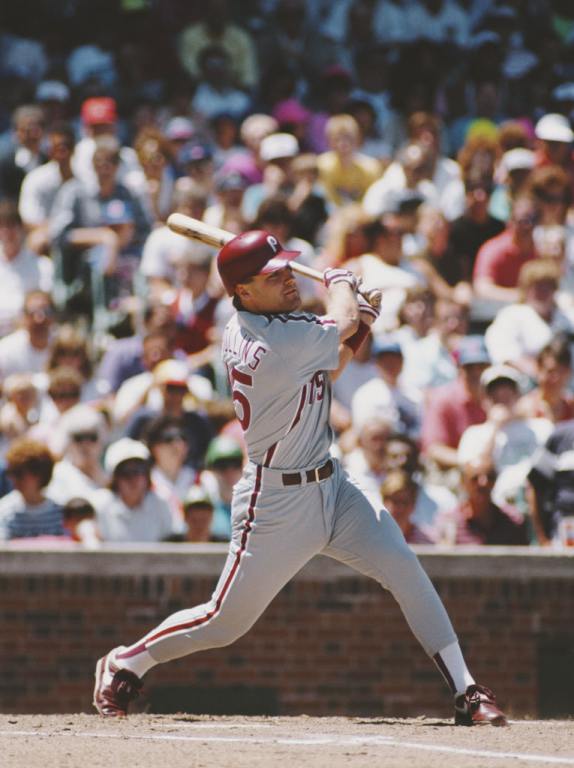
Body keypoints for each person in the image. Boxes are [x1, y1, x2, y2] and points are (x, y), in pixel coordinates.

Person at [93, 227, 507, 726]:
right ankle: (126, 661)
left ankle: (467, 690)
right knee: (224, 622)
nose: (288, 277)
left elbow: (332, 363)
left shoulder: (281, 324)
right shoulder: (266, 339)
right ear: (243, 292)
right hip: (275, 501)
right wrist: (340, 284)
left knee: (404, 566)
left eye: (288, 267)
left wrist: (360, 322)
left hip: (333, 484)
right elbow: (335, 329)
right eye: (273, 275)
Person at [90, 438, 176, 544]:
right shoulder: (98, 504)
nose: (133, 479)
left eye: (138, 471)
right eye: (125, 473)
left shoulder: (161, 503)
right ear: (115, 479)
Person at [432, 456, 529, 546]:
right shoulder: (450, 522)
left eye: (490, 477)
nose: (483, 483)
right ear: (463, 482)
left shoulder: (513, 520)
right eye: (475, 478)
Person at [0, 437, 63, 540]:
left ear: (39, 475)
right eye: (12, 473)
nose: (14, 479)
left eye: (19, 473)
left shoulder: (60, 512)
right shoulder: (4, 511)